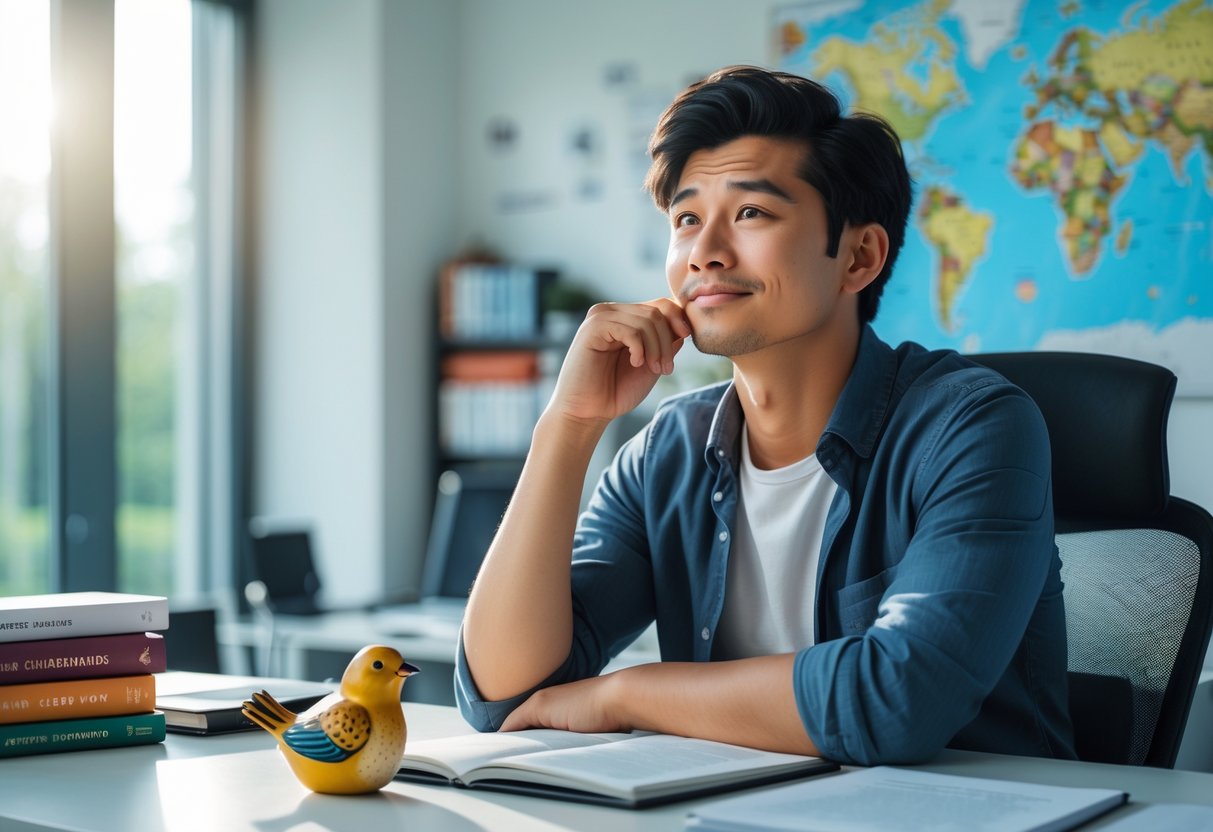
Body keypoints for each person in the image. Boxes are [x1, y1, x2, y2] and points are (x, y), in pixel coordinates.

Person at [455, 65, 1076, 765]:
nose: (704, 253)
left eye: (750, 213)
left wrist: (621, 695)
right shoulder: (668, 452)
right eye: (686, 219)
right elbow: (504, 695)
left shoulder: (971, 426)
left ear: (858, 257)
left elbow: (897, 698)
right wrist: (567, 428)